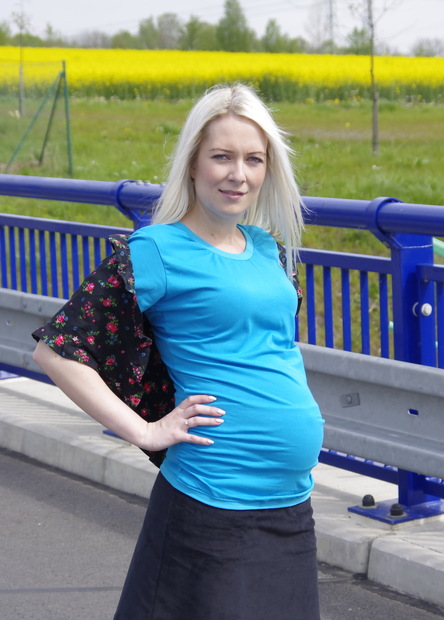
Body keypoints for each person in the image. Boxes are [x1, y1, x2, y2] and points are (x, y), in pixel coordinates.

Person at [32, 83, 324, 620]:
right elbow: (59, 351)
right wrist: (144, 431)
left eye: (254, 159)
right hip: (213, 500)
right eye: (222, 156)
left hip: (289, 503)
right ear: (192, 163)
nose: (239, 174)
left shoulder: (269, 251)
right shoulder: (157, 250)